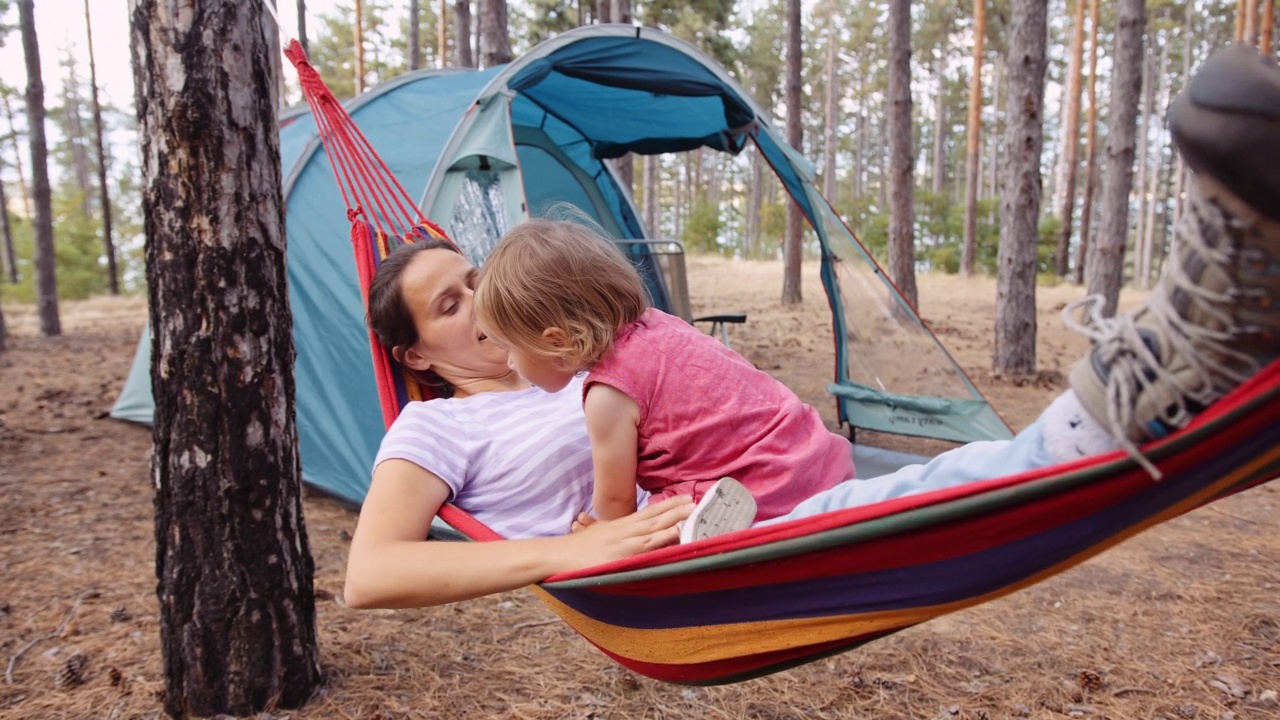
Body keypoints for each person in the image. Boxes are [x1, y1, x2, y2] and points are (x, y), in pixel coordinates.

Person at [343, 45, 1280, 610]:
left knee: (931, 490)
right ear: (415, 354)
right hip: (715, 554)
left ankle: (1184, 373)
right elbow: (371, 574)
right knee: (925, 501)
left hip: (772, 490)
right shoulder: (437, 425)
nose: (490, 317)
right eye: (457, 304)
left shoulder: (605, 368)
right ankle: (1154, 386)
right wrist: (568, 550)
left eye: (480, 281)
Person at [470, 217, 854, 539]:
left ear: (555, 340)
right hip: (810, 458)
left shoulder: (607, 394)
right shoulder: (660, 325)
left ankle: (708, 538)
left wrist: (599, 537)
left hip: (755, 493)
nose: (508, 362)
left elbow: (616, 503)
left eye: (509, 348)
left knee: (656, 518)